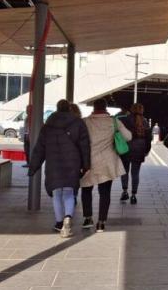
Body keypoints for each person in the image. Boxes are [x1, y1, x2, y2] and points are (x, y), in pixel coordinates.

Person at [28, 99, 90, 237]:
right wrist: (86, 165)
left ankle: (58, 222)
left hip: (53, 163)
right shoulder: (78, 123)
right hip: (72, 163)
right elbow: (85, 146)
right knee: (68, 192)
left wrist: (33, 167)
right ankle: (68, 217)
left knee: (57, 193)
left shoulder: (47, 126)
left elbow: (39, 149)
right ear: (69, 108)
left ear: (57, 109)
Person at [80, 99, 132, 232]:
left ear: (94, 108)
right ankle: (101, 222)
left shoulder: (85, 122)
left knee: (86, 189)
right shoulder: (113, 122)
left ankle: (87, 218)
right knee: (105, 192)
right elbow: (128, 137)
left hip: (88, 162)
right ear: (106, 107)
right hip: (107, 163)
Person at [120, 103, 152, 204]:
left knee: (124, 171)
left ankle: (125, 192)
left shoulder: (125, 120)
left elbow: (119, 134)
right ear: (142, 110)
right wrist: (146, 150)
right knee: (135, 173)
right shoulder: (145, 122)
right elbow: (148, 138)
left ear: (131, 109)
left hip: (126, 149)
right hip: (139, 149)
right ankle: (133, 196)